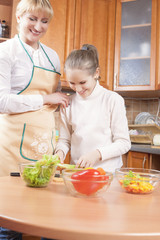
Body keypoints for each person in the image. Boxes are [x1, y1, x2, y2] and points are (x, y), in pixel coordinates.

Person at [0, 0, 69, 239]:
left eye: (44, 21)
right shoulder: (5, 52)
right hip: (12, 145)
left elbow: (57, 101)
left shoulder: (53, 56)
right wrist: (44, 98)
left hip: (44, 144)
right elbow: (2, 102)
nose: (38, 26)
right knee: (10, 223)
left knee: (46, 218)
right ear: (19, 17)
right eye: (32, 18)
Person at [54, 44, 131, 171]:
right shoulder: (68, 103)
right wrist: (59, 153)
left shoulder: (112, 100)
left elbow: (123, 143)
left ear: (96, 73)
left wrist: (97, 154)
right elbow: (64, 140)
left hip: (108, 173)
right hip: (78, 172)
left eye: (82, 82)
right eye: (72, 83)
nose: (77, 89)